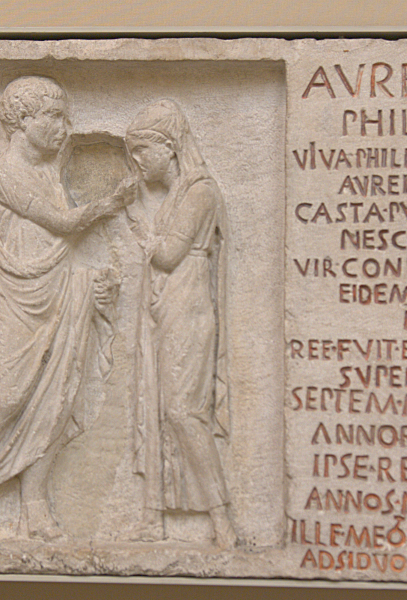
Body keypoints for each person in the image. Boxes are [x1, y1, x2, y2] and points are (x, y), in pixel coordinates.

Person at [0, 76, 133, 546]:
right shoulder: (4, 173)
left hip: (61, 292)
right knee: (7, 400)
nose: (64, 128)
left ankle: (34, 506)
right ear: (23, 120)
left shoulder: (50, 170)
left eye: (67, 118)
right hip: (15, 301)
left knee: (58, 396)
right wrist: (113, 202)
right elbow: (63, 224)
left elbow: (63, 242)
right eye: (54, 116)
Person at [123, 99, 237, 548]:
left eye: (143, 151)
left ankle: (221, 517)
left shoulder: (199, 191)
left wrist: (134, 221)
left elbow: (169, 255)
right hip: (164, 307)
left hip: (187, 308)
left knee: (182, 413)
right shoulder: (176, 195)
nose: (138, 162)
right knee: (155, 407)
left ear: (169, 148)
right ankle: (153, 517)